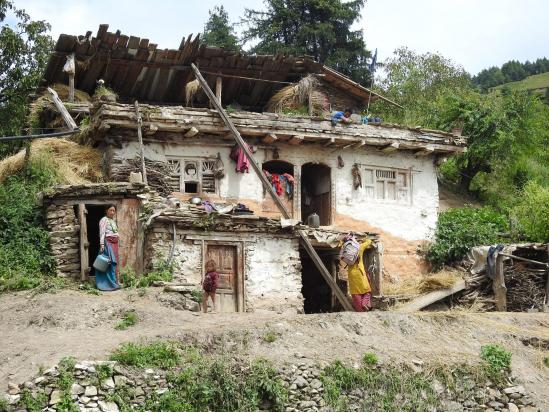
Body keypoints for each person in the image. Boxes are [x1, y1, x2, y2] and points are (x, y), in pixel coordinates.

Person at [95, 204, 120, 291]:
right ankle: (107, 284)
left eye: (114, 211)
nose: (112, 212)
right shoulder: (104, 220)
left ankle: (114, 283)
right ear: (106, 210)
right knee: (108, 263)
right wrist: (102, 244)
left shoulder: (112, 221)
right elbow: (102, 233)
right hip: (107, 243)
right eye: (111, 210)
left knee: (113, 263)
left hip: (114, 244)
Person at [345, 239, 373, 312]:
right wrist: (364, 240)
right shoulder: (359, 247)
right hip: (360, 273)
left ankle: (360, 310)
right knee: (367, 290)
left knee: (355, 294)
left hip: (351, 274)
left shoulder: (346, 248)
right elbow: (369, 241)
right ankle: (364, 304)